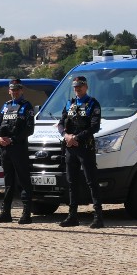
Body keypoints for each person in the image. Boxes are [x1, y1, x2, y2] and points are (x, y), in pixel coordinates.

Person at [59, 76, 105, 229]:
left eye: (80, 86)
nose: (77, 89)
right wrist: (66, 136)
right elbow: (61, 124)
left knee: (91, 181)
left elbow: (94, 126)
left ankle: (98, 217)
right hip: (71, 147)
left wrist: (77, 137)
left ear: (86, 87)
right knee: (72, 182)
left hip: (85, 147)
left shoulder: (93, 103)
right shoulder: (69, 103)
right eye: (75, 87)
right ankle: (72, 216)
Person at [0, 79, 37, 225]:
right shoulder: (5, 106)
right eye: (13, 89)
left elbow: (29, 129)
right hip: (5, 150)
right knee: (8, 182)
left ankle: (26, 213)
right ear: (9, 90)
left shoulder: (26, 106)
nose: (15, 92)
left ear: (22, 90)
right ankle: (6, 213)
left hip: (19, 148)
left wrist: (13, 139)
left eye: (18, 89)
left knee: (23, 180)